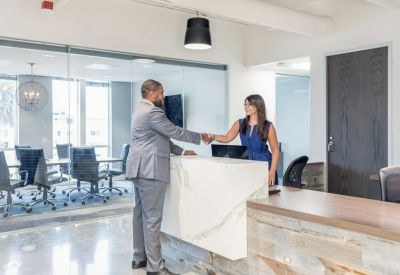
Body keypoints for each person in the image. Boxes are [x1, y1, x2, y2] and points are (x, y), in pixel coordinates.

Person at [126, 79, 211, 275]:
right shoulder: (153, 112)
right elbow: (173, 131)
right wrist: (200, 137)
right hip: (150, 170)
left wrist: (181, 152)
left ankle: (140, 258)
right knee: (152, 219)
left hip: (139, 169)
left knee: (139, 216)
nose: (163, 97)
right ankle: (155, 268)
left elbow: (160, 138)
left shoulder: (139, 110)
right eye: (162, 93)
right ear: (153, 93)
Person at [208, 94, 279, 186]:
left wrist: (272, 170)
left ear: (258, 106)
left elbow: (275, 150)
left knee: (266, 196)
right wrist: (213, 137)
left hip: (264, 164)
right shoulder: (240, 123)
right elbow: (227, 137)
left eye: (249, 104)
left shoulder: (268, 126)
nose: (246, 107)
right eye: (245, 105)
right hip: (247, 163)